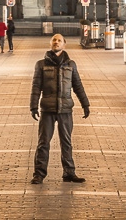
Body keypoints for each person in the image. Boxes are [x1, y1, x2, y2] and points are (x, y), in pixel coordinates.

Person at [29, 33, 90, 185]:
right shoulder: (41, 64)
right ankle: (39, 174)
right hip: (47, 109)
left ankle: (69, 173)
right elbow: (36, 87)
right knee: (43, 143)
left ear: (64, 44)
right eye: (54, 40)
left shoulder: (71, 64)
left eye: (59, 40)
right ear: (50, 43)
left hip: (65, 109)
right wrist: (33, 106)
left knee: (66, 142)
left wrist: (85, 104)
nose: (56, 42)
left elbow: (78, 86)